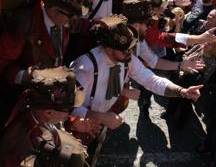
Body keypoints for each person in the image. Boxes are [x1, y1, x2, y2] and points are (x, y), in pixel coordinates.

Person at [70, 15, 204, 146]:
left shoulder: (126, 58)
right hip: (81, 125)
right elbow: (68, 106)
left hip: (101, 120)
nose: (130, 53)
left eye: (131, 48)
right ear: (109, 50)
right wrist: (100, 116)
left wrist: (182, 91)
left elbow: (151, 80)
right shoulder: (86, 67)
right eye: (125, 50)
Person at [0, 66, 88, 167]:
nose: (69, 114)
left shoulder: (37, 112)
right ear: (48, 113)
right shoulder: (23, 146)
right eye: (69, 110)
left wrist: (72, 123)